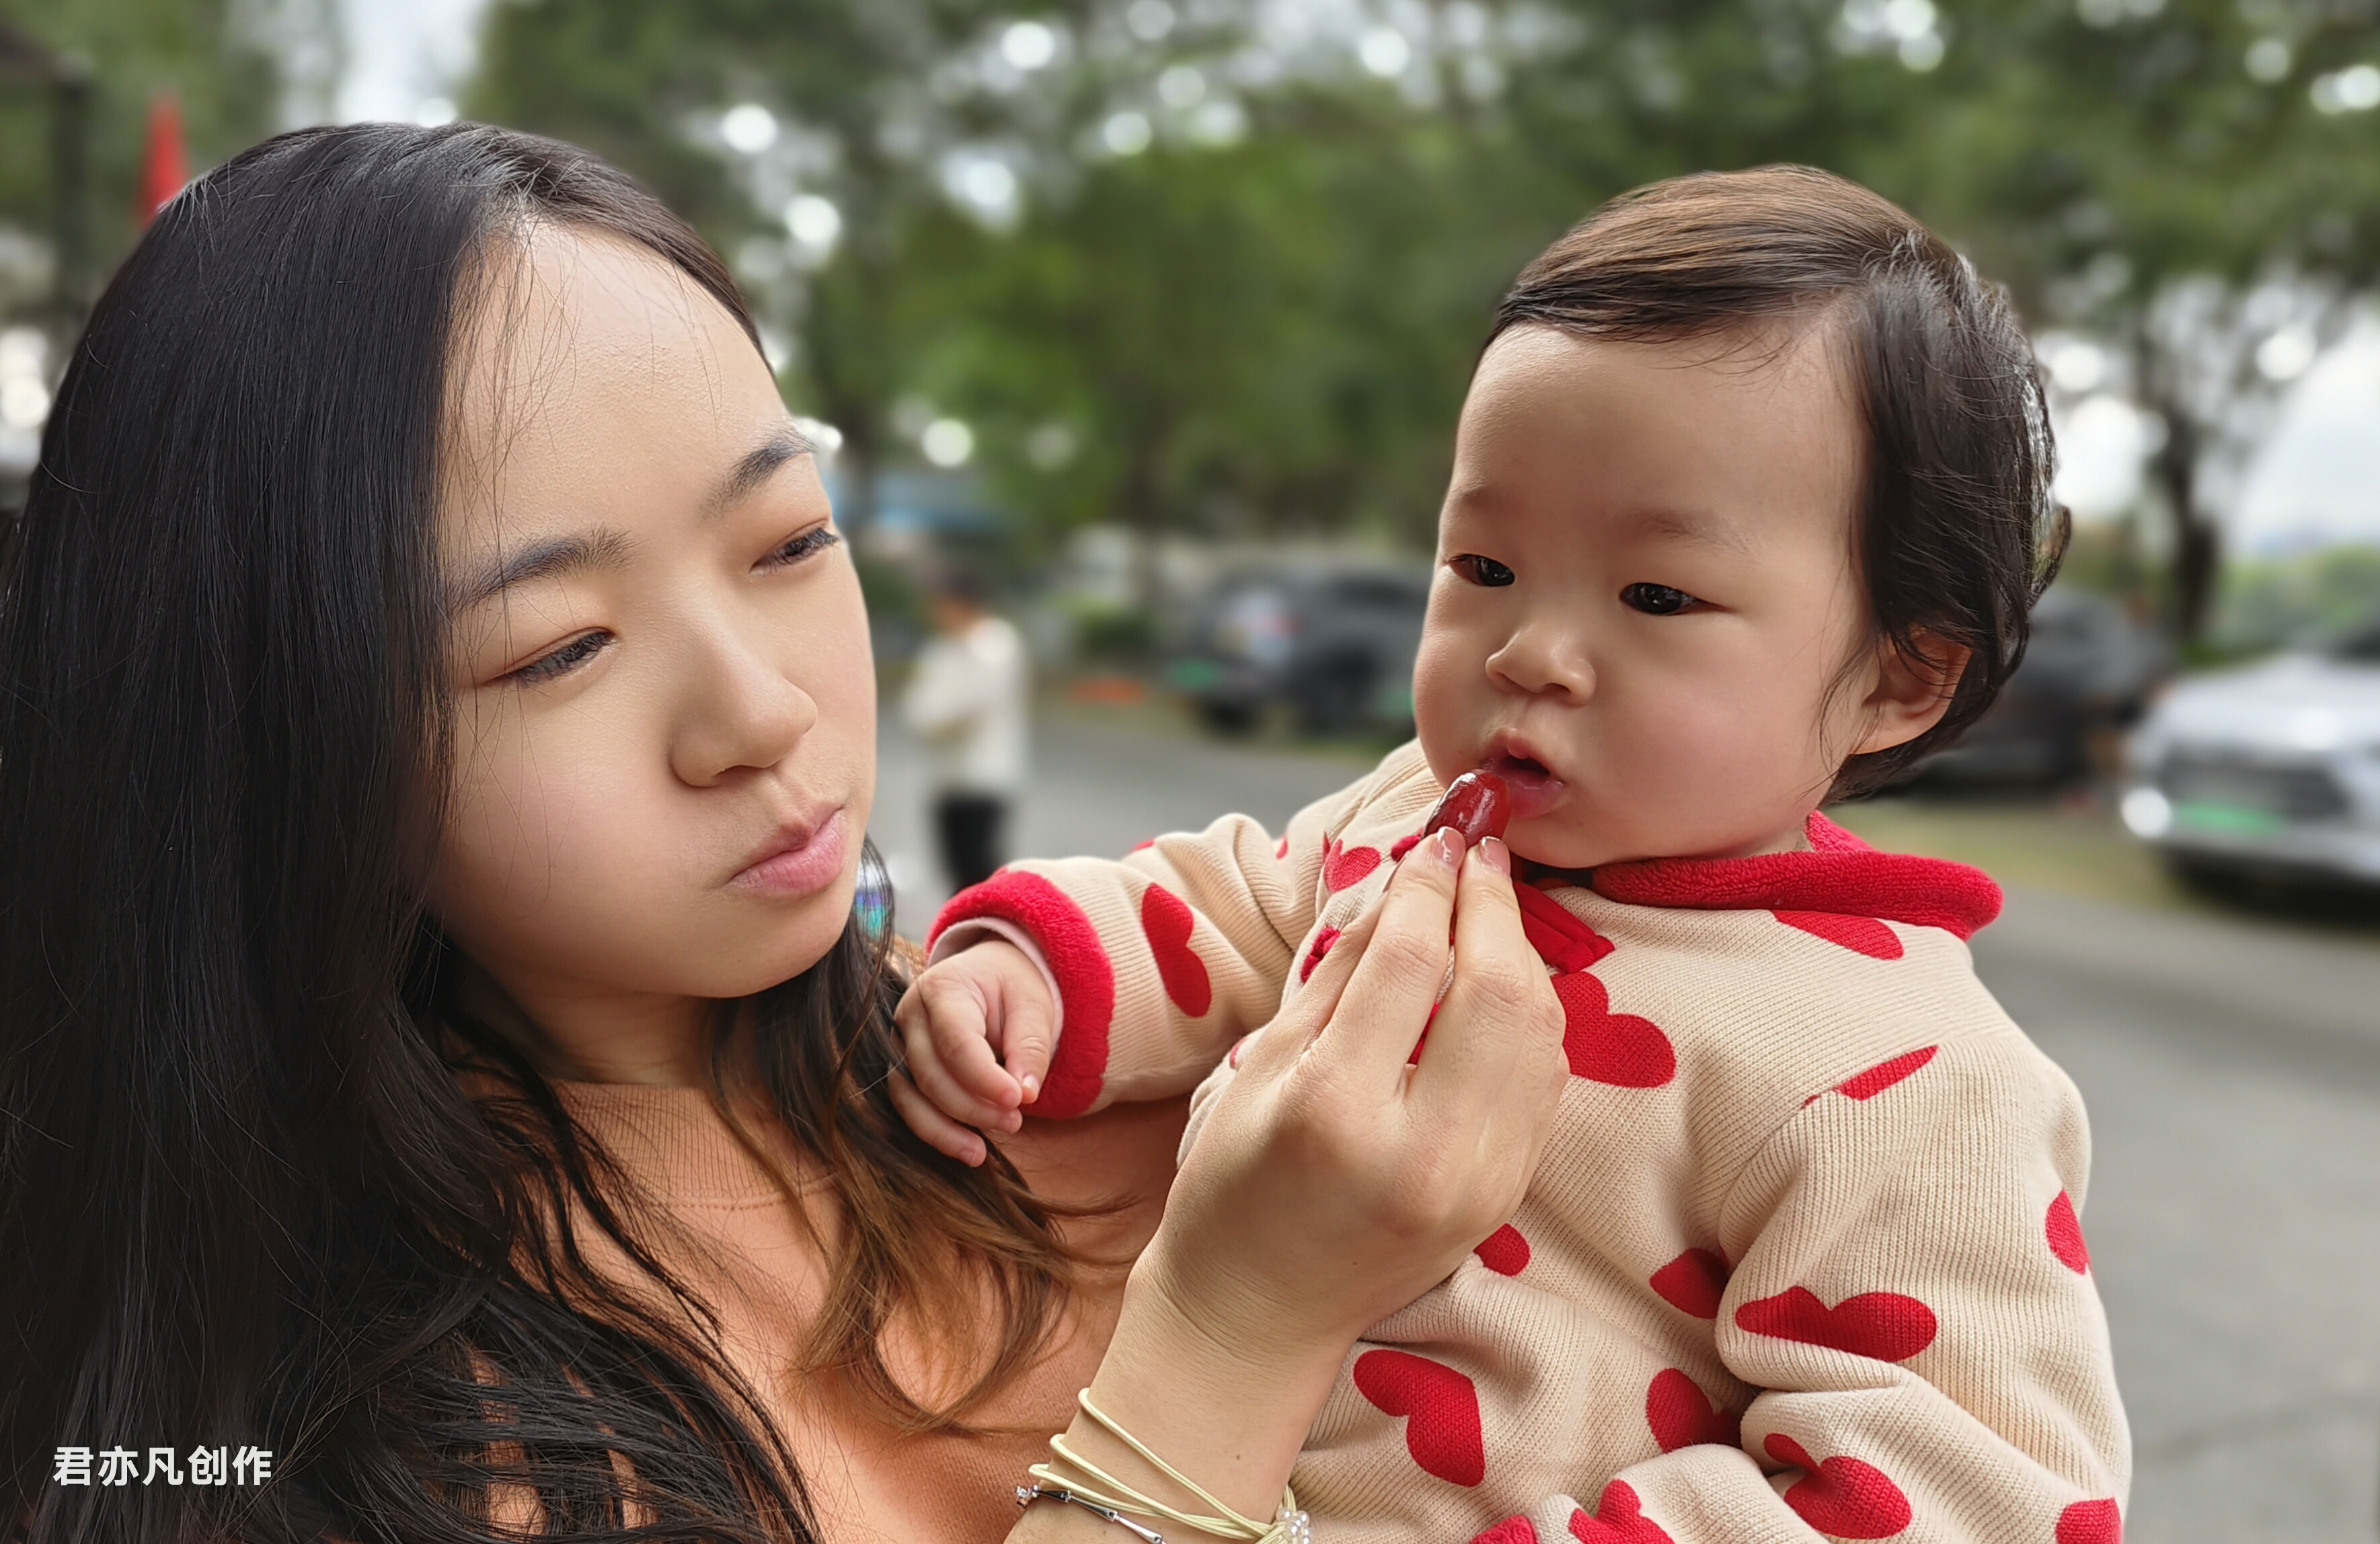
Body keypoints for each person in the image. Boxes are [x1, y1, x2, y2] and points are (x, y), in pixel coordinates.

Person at [0, 122, 1567, 1544]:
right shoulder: (288, 1442)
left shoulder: (1078, 1071)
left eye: (788, 540)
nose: (759, 712)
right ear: (267, 736)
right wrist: (1238, 1329)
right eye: (558, 648)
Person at [897, 167, 2133, 1541]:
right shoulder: (1411, 815)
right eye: (1483, 564)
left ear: (1902, 678)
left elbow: (1973, 1481)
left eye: (1657, 594)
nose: (1527, 648)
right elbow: (1232, 901)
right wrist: (1037, 973)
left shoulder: (1903, 1076)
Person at [905, 568, 1029, 891]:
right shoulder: (942, 650)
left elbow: (968, 704)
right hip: (947, 778)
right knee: (955, 870)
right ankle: (961, 937)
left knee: (980, 867)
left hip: (984, 778)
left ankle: (988, 935)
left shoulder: (995, 645)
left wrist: (936, 714)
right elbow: (917, 710)